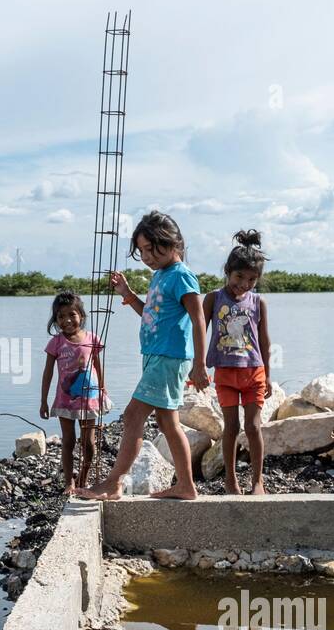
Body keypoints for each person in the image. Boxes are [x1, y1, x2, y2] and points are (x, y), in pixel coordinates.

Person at [79, 211, 209, 501]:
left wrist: (199, 364)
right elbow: (150, 316)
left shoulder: (181, 276)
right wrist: (127, 293)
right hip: (154, 357)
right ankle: (186, 486)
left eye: (152, 249)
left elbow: (198, 319)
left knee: (132, 415)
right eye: (142, 251)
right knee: (167, 423)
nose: (147, 256)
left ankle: (113, 483)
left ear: (173, 243)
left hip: (169, 358)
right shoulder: (160, 277)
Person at [203, 230, 272, 494]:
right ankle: (230, 480)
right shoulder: (214, 298)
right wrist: (197, 365)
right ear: (228, 272)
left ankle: (257, 481)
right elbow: (198, 331)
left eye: (252, 279)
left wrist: (268, 375)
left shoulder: (258, 302)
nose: (244, 283)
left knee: (253, 427)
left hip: (253, 372)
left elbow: (264, 342)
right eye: (239, 277)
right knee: (230, 427)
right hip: (224, 374)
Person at [39, 292, 110, 492]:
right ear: (55, 320)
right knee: (68, 441)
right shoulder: (56, 343)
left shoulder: (92, 339)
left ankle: (84, 477)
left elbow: (98, 366)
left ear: (81, 315)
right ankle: (69, 482)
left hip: (90, 399)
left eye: (71, 314)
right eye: (60, 317)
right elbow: (47, 373)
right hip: (65, 400)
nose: (67, 320)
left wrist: (103, 389)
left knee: (89, 442)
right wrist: (43, 401)